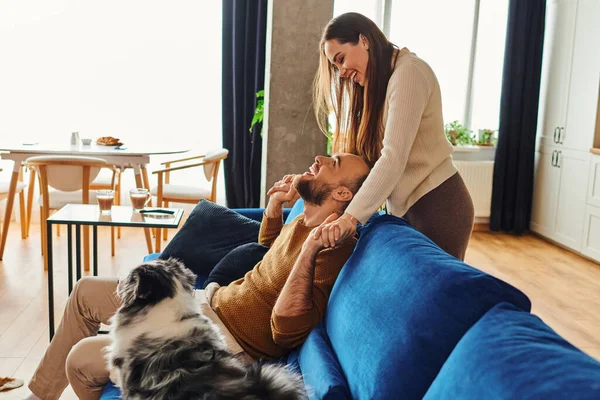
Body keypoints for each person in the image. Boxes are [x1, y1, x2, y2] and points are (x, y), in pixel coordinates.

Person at [24, 153, 370, 400]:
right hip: (205, 303)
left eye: (333, 164)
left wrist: (310, 251)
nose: (321, 158)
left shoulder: (331, 246)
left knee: (82, 359)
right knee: (86, 291)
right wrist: (275, 207)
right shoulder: (304, 218)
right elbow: (269, 254)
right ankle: (41, 396)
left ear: (342, 194)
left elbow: (286, 330)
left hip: (224, 340)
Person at [312, 12, 474, 260]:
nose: (342, 72)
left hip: (438, 205)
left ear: (364, 40)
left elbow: (393, 157)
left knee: (436, 295)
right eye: (336, 66)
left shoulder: (409, 73)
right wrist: (310, 183)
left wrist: (351, 218)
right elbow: (367, 160)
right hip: (409, 208)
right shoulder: (381, 83)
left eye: (341, 59)